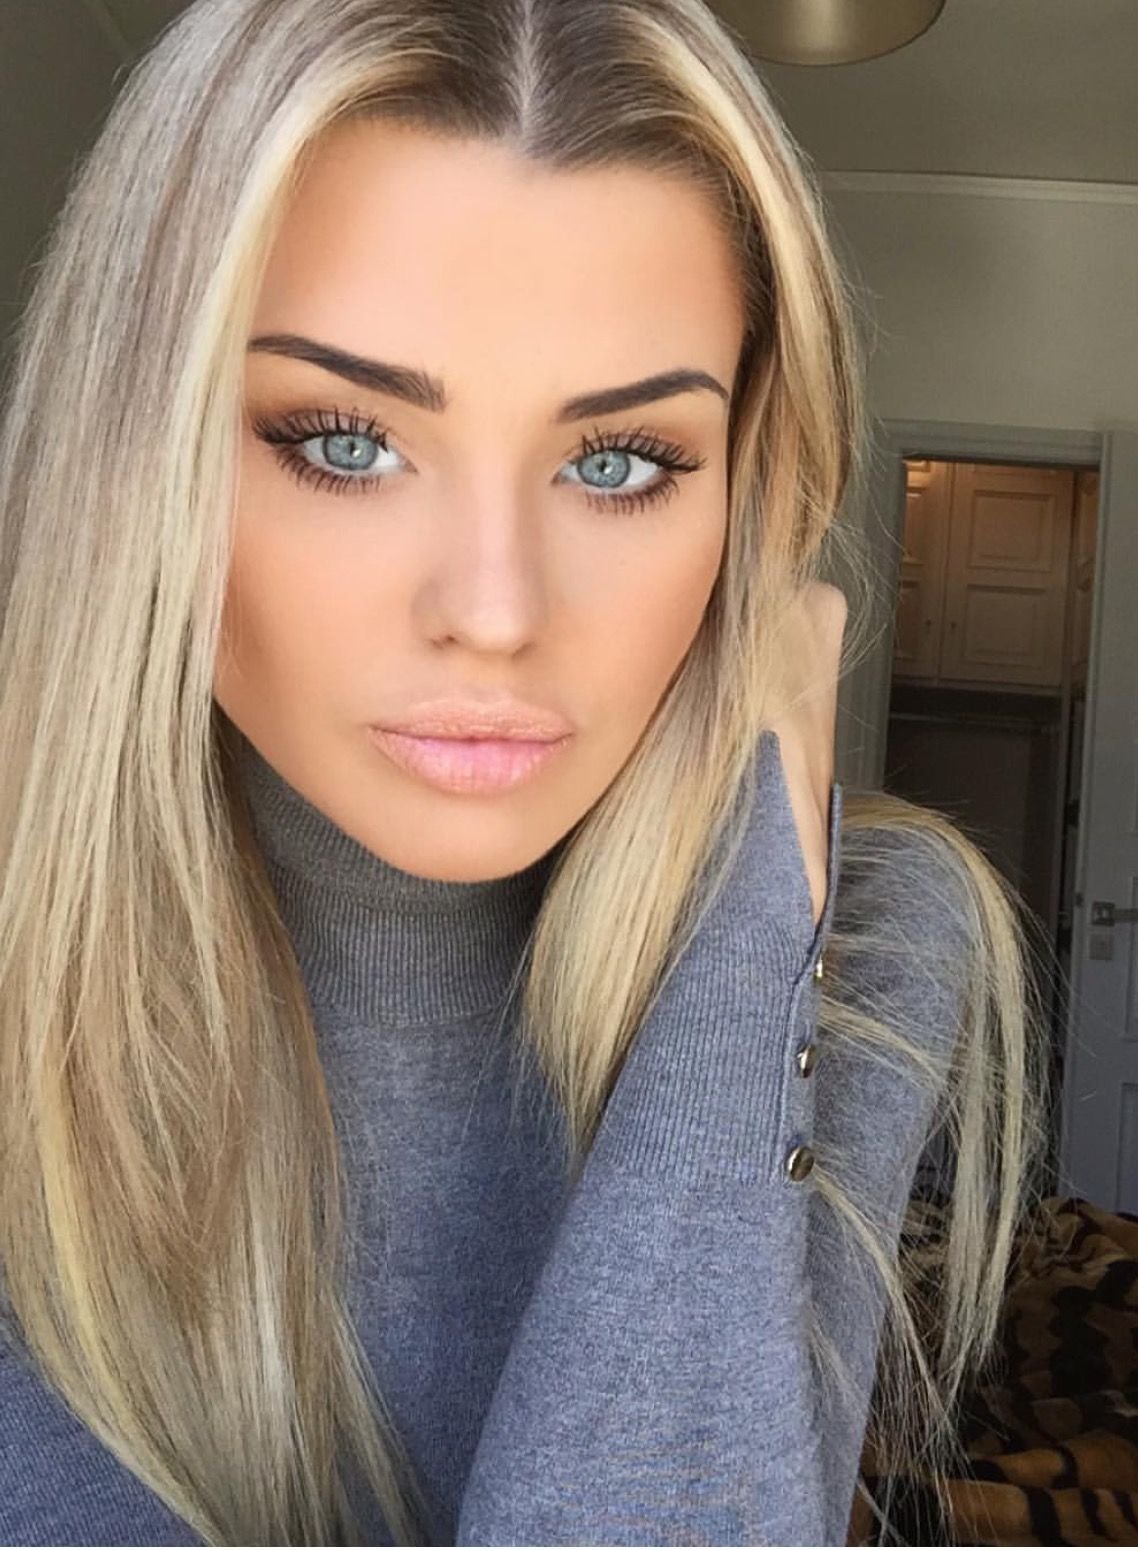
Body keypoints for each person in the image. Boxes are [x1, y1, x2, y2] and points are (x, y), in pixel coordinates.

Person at [0, 0, 1053, 1544]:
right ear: (132, 460)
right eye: (343, 442)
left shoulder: (854, 936)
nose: (494, 609)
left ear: (748, 503)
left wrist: (749, 932)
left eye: (616, 462)